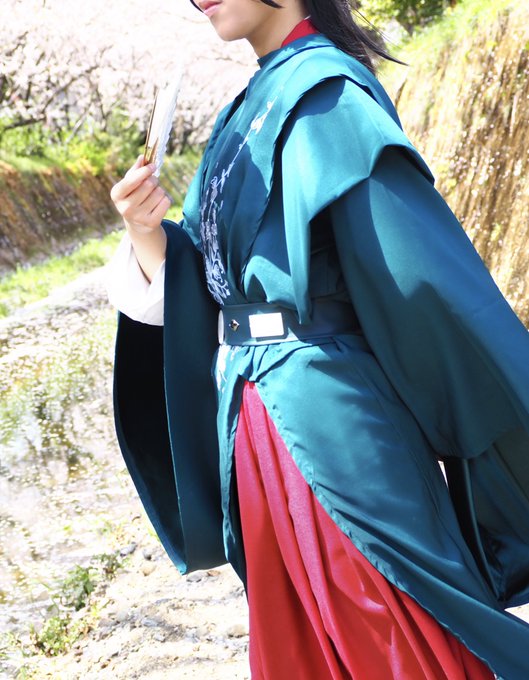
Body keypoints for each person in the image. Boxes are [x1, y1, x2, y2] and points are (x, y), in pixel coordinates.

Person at [106, 1, 529, 678]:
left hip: (328, 423)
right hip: (257, 417)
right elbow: (220, 285)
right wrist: (145, 232)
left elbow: (422, 283)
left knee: (391, 634)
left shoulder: (327, 96)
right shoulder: (247, 106)